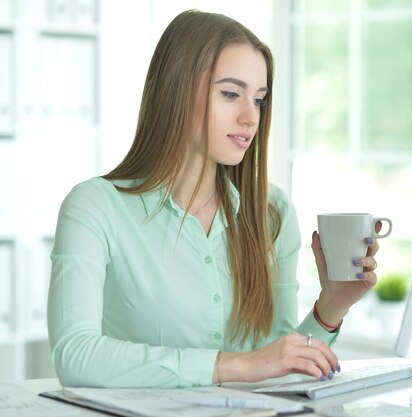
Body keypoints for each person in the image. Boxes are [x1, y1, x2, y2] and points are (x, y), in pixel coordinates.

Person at [47, 9, 381, 388]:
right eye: (230, 94)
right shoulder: (94, 207)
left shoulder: (272, 212)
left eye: (258, 99)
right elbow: (75, 354)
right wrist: (232, 366)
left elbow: (274, 361)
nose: (250, 117)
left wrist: (332, 307)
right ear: (175, 90)